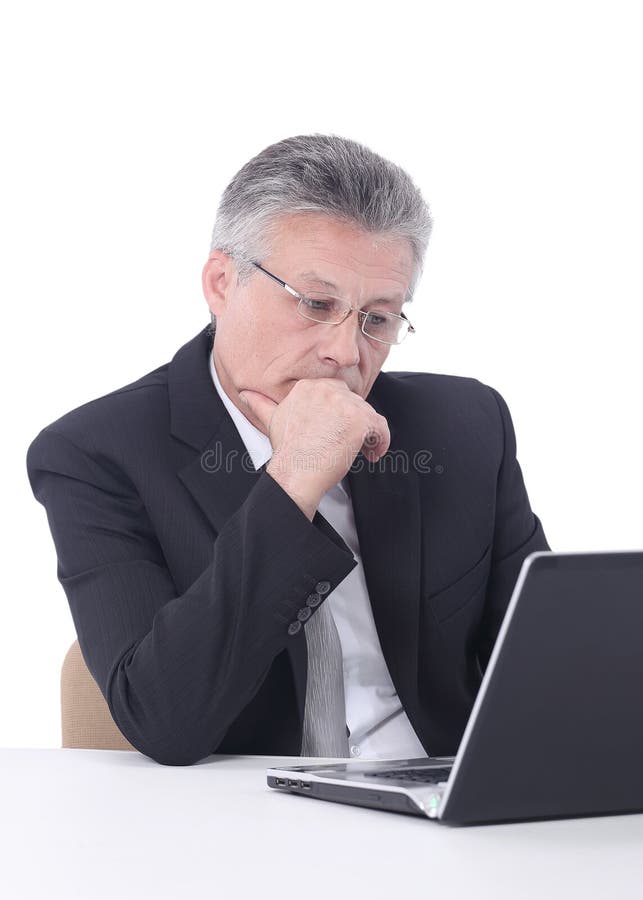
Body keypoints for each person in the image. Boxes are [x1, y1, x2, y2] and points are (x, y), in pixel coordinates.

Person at [26, 134, 550, 766]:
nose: (346, 353)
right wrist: (295, 479)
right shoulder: (94, 455)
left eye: (377, 319)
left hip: (450, 812)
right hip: (250, 828)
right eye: (315, 304)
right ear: (221, 283)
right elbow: (164, 722)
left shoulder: (464, 425)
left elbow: (546, 669)